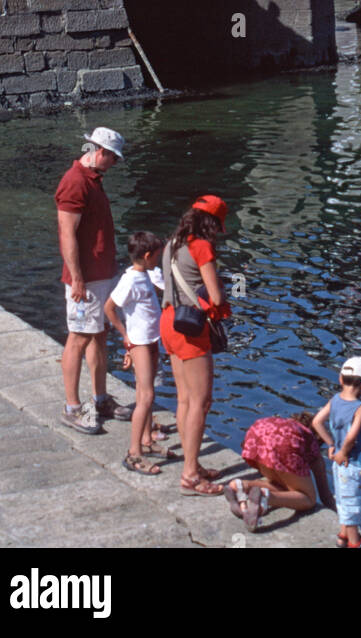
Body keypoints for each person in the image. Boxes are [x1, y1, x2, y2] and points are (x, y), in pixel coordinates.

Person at [55, 126, 133, 435]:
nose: (114, 163)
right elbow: (67, 234)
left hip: (101, 274)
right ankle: (72, 407)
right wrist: (77, 279)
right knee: (78, 337)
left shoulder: (92, 180)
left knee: (98, 335)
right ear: (99, 152)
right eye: (113, 158)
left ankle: (100, 399)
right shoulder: (75, 183)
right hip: (85, 280)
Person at [159, 195, 231, 496]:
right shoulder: (202, 247)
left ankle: (193, 463)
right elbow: (214, 298)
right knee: (201, 402)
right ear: (211, 223)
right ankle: (190, 475)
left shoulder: (172, 243)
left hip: (168, 321)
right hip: (191, 328)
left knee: (185, 400)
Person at [104, 232, 171, 474]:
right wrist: (125, 336)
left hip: (151, 339)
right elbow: (109, 308)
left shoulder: (146, 274)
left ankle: (147, 440)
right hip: (139, 343)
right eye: (157, 257)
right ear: (146, 256)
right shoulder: (130, 280)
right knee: (146, 396)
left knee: (148, 391)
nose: (159, 261)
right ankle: (134, 453)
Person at [226, 410, 336, 532]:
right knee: (309, 498)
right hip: (284, 442)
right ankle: (266, 497)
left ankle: (241, 486)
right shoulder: (311, 443)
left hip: (257, 432)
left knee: (283, 487)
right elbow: (325, 495)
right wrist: (340, 516)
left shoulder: (285, 423)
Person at [312, 355, 361, 549]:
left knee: (342, 498)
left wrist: (331, 445)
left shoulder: (334, 400)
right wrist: (343, 452)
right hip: (352, 463)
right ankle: (355, 542)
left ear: (340, 379)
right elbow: (352, 437)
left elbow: (316, 422)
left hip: (338, 464)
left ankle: (342, 535)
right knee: (354, 505)